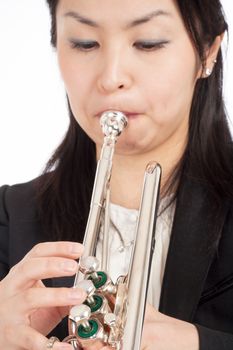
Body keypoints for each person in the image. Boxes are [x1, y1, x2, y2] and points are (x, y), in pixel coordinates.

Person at [0, 0, 233, 349]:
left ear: (207, 52)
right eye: (84, 43)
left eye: (149, 43)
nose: (111, 79)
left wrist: (196, 343)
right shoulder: (8, 217)